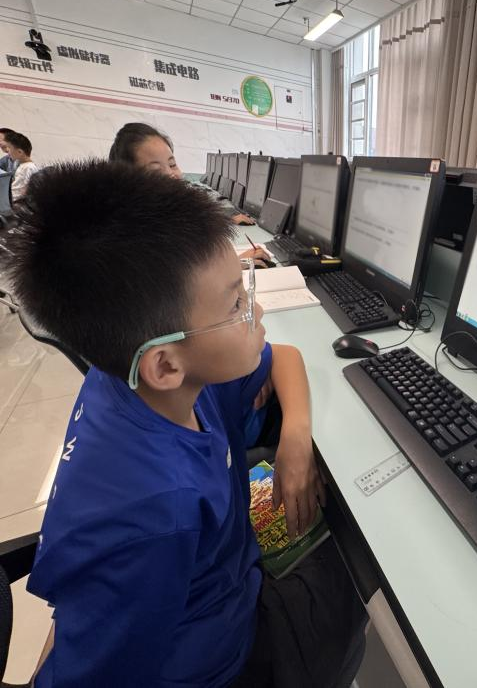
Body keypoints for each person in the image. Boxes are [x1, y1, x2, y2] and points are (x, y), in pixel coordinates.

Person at [6, 160, 365, 687]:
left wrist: (295, 437)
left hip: (212, 581)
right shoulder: (155, 515)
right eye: (236, 303)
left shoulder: (148, 378)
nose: (257, 312)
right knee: (360, 575)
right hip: (224, 659)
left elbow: (283, 356)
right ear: (165, 364)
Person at [109, 122, 257, 227]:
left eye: (172, 164)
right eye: (156, 171)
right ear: (128, 181)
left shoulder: (168, 218)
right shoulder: (136, 232)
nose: (170, 174)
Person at [5, 130, 37, 202]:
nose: (7, 151)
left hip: (15, 203)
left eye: (9, 148)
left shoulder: (29, 168)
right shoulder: (22, 165)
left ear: (20, 152)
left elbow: (23, 192)